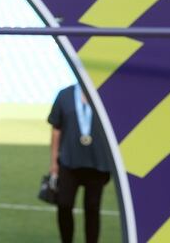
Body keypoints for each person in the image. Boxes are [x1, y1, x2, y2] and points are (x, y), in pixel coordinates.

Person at [48, 84, 112, 243]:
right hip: (68, 161)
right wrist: (54, 163)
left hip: (98, 163)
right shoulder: (65, 95)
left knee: (92, 208)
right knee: (64, 204)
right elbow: (56, 129)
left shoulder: (106, 94)